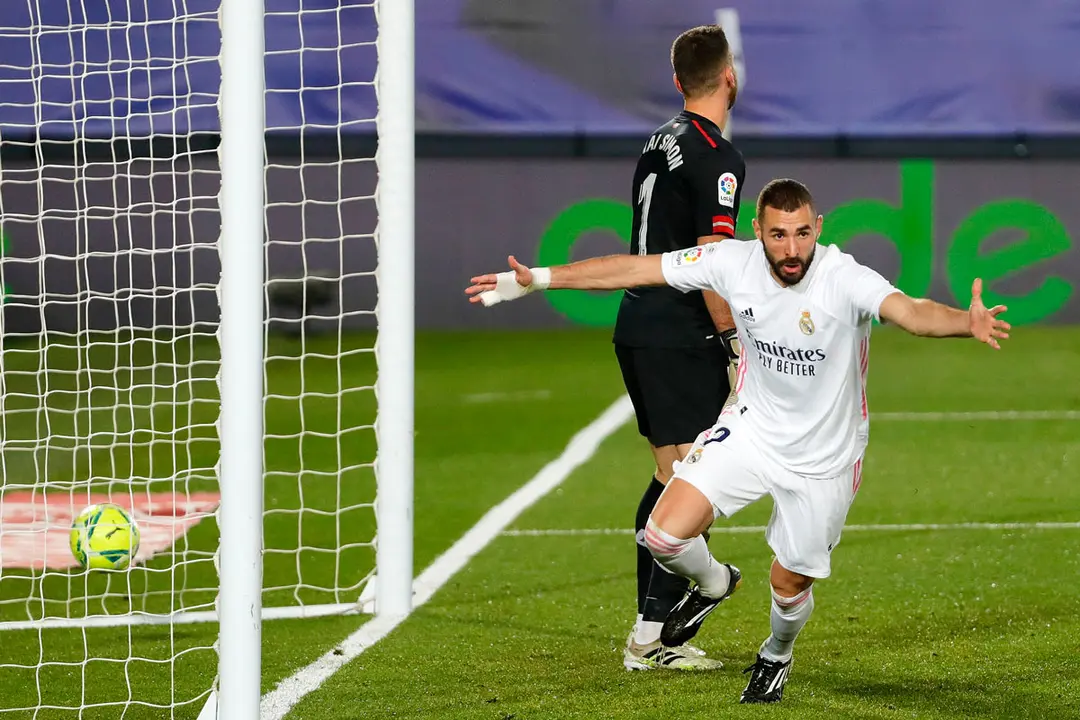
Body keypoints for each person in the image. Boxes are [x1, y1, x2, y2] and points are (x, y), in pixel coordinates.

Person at [466, 178, 1009, 703]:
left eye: (801, 233)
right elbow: (636, 267)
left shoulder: (843, 277)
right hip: (750, 429)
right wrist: (536, 278)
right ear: (758, 230)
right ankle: (716, 582)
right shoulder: (731, 262)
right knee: (662, 536)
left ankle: (776, 654)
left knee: (789, 584)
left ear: (818, 228)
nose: (792, 248)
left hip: (825, 458)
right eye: (778, 234)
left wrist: (966, 321)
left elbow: (912, 312)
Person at [611, 23, 745, 672]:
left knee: (672, 477)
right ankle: (654, 638)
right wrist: (732, 342)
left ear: (676, 81)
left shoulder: (659, 140)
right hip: (678, 333)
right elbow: (713, 261)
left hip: (637, 323)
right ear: (729, 77)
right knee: (695, 481)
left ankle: (654, 632)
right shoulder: (717, 155)